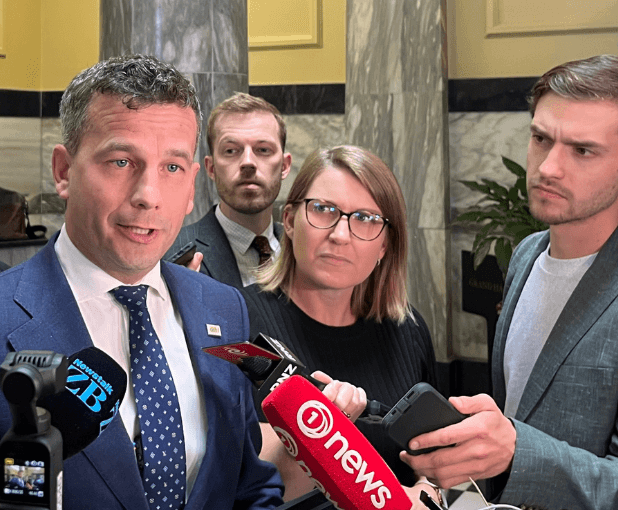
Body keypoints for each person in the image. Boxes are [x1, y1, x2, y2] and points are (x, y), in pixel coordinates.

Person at [0, 55, 284, 510]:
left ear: (193, 185)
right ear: (64, 172)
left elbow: (247, 483)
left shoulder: (222, 308)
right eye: (121, 162)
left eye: (172, 167)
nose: (148, 196)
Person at [402, 54, 618, 510]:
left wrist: (517, 453)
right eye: (541, 139)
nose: (548, 167)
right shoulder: (526, 254)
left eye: (582, 150)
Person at [240, 146, 439, 503]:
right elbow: (242, 473)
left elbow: (435, 461)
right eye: (323, 210)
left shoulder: (409, 331)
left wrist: (430, 495)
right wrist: (320, 433)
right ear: (288, 220)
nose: (340, 234)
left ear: (385, 245)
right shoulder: (237, 321)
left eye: (365, 218)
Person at [165, 92, 291, 288]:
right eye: (231, 151)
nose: (248, 162)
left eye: (263, 150)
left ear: (284, 166)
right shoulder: (171, 253)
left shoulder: (306, 250)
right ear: (211, 168)